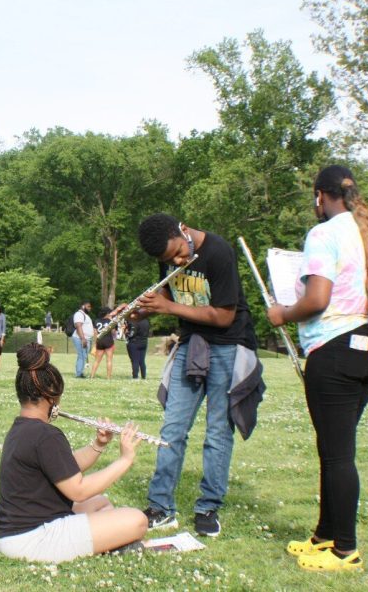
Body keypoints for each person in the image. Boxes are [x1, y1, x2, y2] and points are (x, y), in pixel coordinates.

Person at [266, 165, 368, 572]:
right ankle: (324, 536)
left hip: (334, 351)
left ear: (321, 196)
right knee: (333, 448)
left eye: (315, 198)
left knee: (338, 455)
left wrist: (283, 313)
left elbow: (317, 298)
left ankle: (346, 550)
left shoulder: (323, 234)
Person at [121, 213, 258, 537]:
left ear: (182, 230)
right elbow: (169, 295)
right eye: (170, 260)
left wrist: (168, 308)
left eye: (179, 253)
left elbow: (224, 315)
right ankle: (160, 507)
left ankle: (208, 507)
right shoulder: (166, 253)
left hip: (227, 344)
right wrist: (140, 310)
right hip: (190, 343)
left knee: (217, 433)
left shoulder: (219, 252)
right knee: (172, 427)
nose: (179, 261)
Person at [0, 342, 148, 563]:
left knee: (101, 503)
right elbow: (79, 491)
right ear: (51, 397)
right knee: (138, 520)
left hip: (8, 536)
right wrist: (125, 459)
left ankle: (108, 543)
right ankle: (110, 543)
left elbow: (63, 467)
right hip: (32, 539)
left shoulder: (21, 428)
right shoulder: (46, 435)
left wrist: (99, 444)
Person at [90, 307, 115, 379]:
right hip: (108, 341)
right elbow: (113, 332)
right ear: (107, 313)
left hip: (100, 341)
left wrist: (95, 342)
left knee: (97, 360)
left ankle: (92, 376)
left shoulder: (96, 320)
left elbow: (95, 333)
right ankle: (108, 377)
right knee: (109, 360)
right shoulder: (111, 321)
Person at [71, 301, 94, 378]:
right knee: (81, 355)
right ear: (83, 306)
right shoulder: (79, 314)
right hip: (80, 338)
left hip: (86, 338)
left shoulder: (85, 315)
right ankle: (79, 374)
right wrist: (83, 339)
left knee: (83, 356)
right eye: (88, 306)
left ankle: (80, 372)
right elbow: (78, 326)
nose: (90, 308)